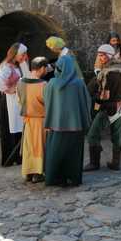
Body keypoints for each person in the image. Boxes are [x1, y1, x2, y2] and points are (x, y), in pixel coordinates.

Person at [43, 55, 92, 187]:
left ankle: (55, 178)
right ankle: (74, 177)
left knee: (55, 153)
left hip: (56, 126)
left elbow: (47, 103)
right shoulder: (79, 83)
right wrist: (84, 120)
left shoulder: (52, 83)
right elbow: (87, 102)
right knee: (74, 154)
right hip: (75, 126)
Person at [85, 44, 121, 171]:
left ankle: (95, 163)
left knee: (92, 135)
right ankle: (116, 163)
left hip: (108, 108)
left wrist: (95, 97)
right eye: (99, 55)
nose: (99, 58)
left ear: (108, 56)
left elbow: (103, 96)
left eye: (101, 55)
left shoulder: (108, 74)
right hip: (120, 107)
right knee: (116, 135)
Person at [0, 43, 30, 167]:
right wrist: (7, 89)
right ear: (15, 54)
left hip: (19, 101)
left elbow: (27, 78)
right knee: (11, 128)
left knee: (20, 127)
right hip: (10, 102)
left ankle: (20, 156)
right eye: (23, 54)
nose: (25, 57)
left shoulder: (20, 65)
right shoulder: (6, 67)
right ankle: (10, 157)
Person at [17, 57, 48, 183]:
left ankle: (28, 172)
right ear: (42, 68)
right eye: (45, 68)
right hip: (40, 120)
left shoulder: (20, 82)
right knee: (39, 147)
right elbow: (47, 103)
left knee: (29, 147)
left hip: (27, 120)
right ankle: (38, 173)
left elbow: (19, 101)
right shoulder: (43, 84)